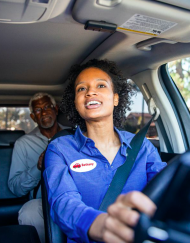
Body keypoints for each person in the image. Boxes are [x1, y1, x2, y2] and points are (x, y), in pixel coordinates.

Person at [43, 59, 167, 243]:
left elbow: (165, 184)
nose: (90, 92)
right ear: (76, 102)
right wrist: (100, 224)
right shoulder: (59, 149)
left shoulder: (142, 146)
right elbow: (63, 201)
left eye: (100, 85)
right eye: (81, 89)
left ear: (116, 98)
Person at [8, 92, 62, 243]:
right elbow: (15, 187)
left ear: (56, 109)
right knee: (29, 211)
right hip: (42, 201)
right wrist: (37, 168)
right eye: (38, 110)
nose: (43, 112)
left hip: (77, 195)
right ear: (33, 117)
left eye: (47, 107)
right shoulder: (23, 144)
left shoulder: (74, 135)